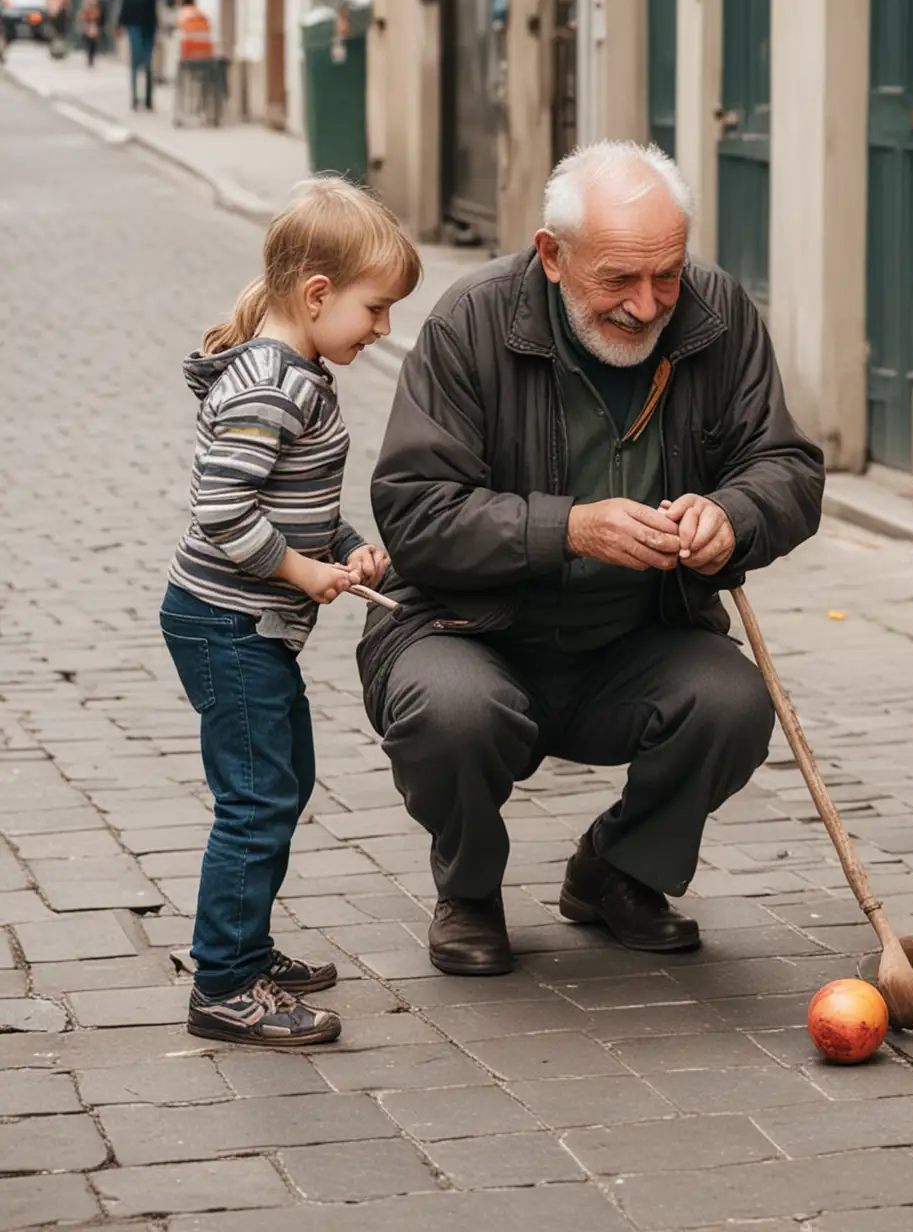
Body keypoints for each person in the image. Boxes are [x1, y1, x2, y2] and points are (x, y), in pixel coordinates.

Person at [359, 140, 824, 977]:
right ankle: (467, 890)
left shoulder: (716, 312)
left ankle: (618, 871)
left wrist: (734, 514)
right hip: (471, 630)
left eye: (666, 277)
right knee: (452, 711)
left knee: (731, 702)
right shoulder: (472, 320)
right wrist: (568, 529)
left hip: (638, 635)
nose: (647, 306)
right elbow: (414, 510)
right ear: (551, 255)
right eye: (618, 280)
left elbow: (786, 466)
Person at [163, 178, 422, 1047]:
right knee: (257, 797)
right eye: (374, 309)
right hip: (224, 621)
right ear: (317, 295)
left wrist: (343, 543)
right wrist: (300, 570)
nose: (382, 328)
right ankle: (224, 985)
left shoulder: (301, 371)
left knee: (282, 782)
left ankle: (248, 945)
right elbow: (224, 512)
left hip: (250, 622)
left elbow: (291, 500)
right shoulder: (269, 384)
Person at [114, 0, 171, 110]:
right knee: (136, 56)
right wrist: (118, 23)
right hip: (131, 20)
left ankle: (148, 98)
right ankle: (134, 97)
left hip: (149, 21)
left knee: (147, 60)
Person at [79, 0, 103, 67]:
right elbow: (82, 15)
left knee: (93, 43)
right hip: (89, 25)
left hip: (95, 25)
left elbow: (100, 15)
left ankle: (91, 57)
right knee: (89, 42)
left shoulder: (98, 5)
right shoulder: (86, 5)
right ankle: (90, 57)